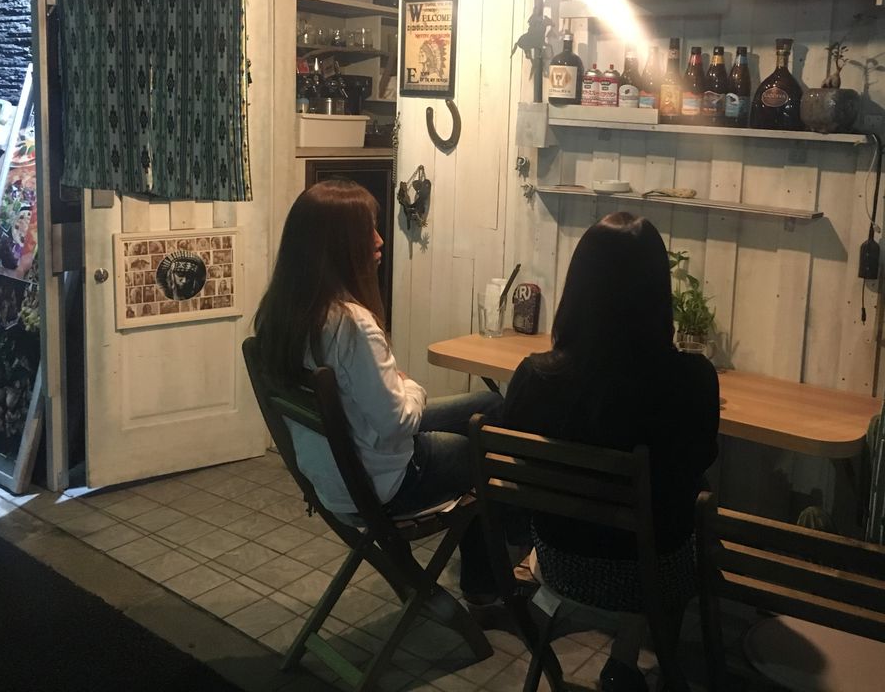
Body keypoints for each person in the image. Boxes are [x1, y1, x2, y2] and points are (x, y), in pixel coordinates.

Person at [254, 178, 501, 602]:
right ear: (337, 246)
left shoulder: (280, 315)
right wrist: (412, 387)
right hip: (381, 483)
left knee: (490, 404)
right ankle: (488, 585)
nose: (380, 239)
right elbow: (397, 424)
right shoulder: (351, 325)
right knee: (485, 449)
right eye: (367, 230)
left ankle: (488, 572)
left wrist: (397, 389)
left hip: (330, 476)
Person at [502, 212, 719, 692]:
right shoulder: (691, 380)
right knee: (686, 503)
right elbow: (701, 458)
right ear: (658, 293)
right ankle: (632, 662)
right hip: (651, 572)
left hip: (559, 560)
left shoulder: (536, 376)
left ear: (578, 288)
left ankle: (615, 661)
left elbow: (517, 456)